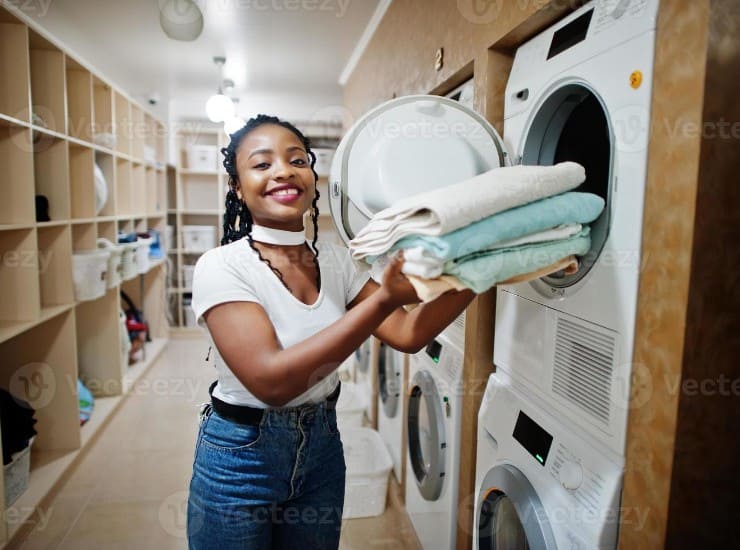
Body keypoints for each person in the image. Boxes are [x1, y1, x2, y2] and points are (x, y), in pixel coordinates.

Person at [186, 114, 475, 549]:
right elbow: (272, 382)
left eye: (297, 160)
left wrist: (484, 267)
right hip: (241, 459)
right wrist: (382, 299)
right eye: (261, 165)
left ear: (311, 176)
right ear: (238, 188)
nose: (283, 170)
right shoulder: (222, 266)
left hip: (321, 447)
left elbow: (409, 332)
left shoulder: (338, 261)